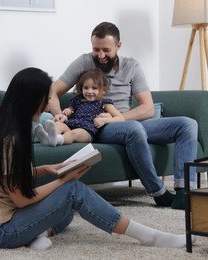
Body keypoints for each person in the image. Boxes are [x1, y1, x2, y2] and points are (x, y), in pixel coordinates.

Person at [0, 67, 191, 250]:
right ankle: (149, 236)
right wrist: (64, 180)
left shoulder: (6, 131)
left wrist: (46, 169)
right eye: (46, 99)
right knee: (73, 191)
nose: (48, 105)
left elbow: (6, 179)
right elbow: (21, 200)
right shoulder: (12, 141)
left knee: (67, 213)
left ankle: (35, 235)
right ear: (32, 100)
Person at [48, 21, 198, 210]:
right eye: (96, 49)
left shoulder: (131, 66)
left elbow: (148, 108)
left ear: (118, 46)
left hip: (124, 120)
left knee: (187, 124)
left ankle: (183, 192)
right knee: (134, 129)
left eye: (106, 50)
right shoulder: (84, 62)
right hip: (98, 125)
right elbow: (52, 92)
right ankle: (158, 192)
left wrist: (118, 118)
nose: (100, 56)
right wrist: (60, 116)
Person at [34, 68, 124, 146]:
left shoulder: (104, 102)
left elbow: (121, 118)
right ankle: (49, 138)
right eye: (86, 88)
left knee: (72, 134)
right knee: (58, 125)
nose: (89, 91)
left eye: (94, 88)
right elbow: (70, 111)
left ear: (103, 90)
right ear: (81, 88)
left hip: (87, 130)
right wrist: (66, 113)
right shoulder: (78, 100)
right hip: (70, 124)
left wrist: (104, 120)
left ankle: (58, 140)